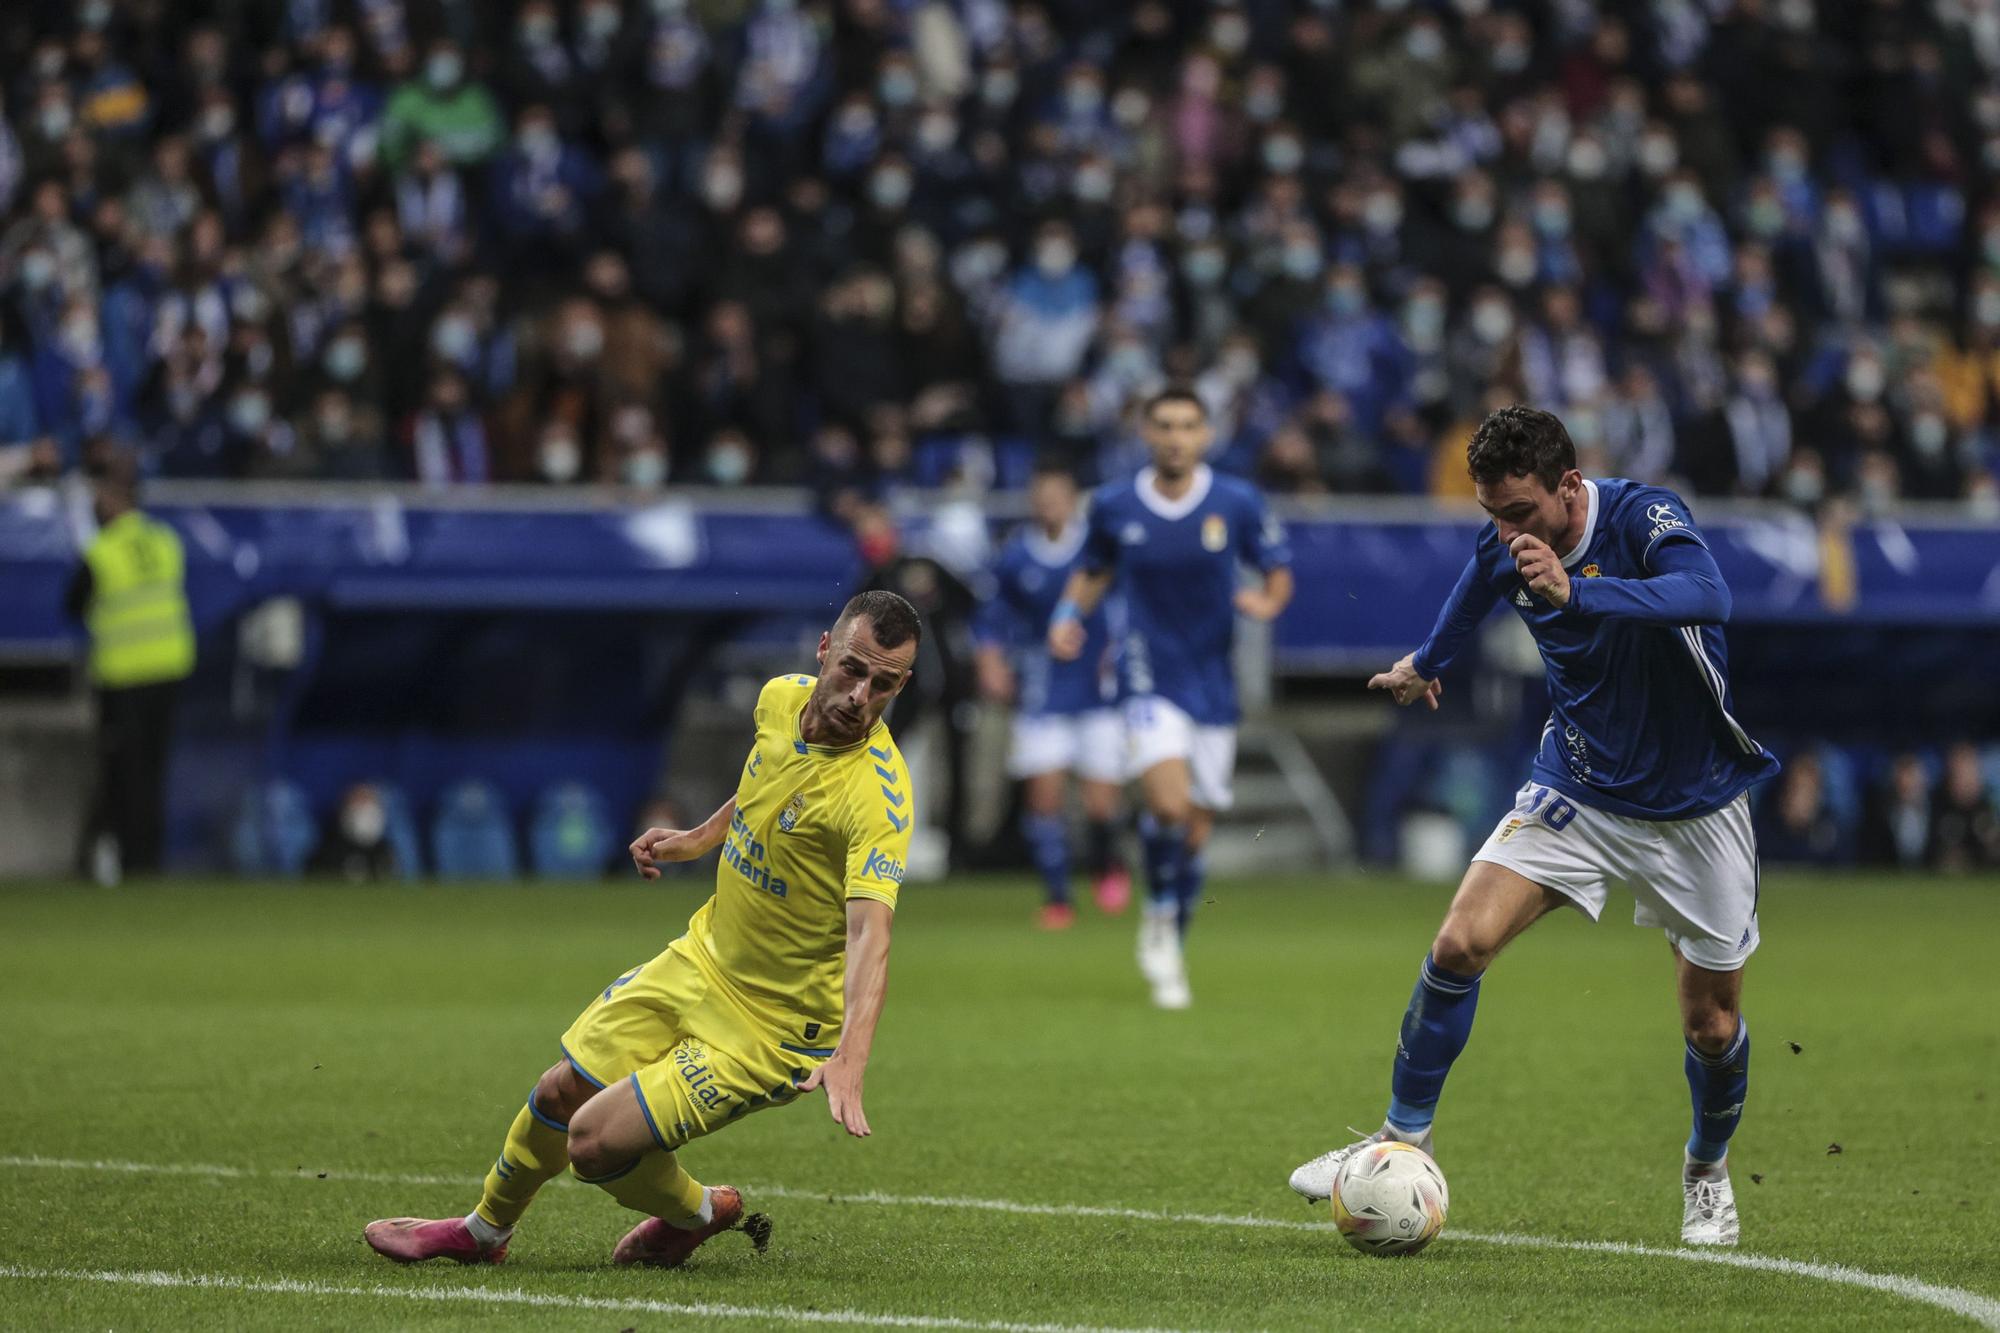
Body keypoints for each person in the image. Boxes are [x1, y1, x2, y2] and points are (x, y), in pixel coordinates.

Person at [1285, 406, 1780, 1247]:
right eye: (1493, 513)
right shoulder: (1506, 539)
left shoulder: (1644, 516)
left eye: (1521, 512)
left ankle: (1706, 1170)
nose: (1508, 530)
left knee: (1712, 1024)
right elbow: (1478, 583)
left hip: (1695, 805)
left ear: (1570, 487)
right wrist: (1425, 663)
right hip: (1578, 787)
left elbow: (1711, 595)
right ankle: (1401, 1136)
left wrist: (1578, 590)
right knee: (1458, 944)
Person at [364, 591, 922, 1269]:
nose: (862, 695)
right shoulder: (780, 698)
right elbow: (764, 784)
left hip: (771, 1026)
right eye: (854, 670)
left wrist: (852, 1056)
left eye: (884, 684)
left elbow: (872, 935)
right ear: (824, 650)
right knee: (560, 1089)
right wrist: (694, 839)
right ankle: (482, 1232)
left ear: (901, 685)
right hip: (703, 958)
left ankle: (701, 1211)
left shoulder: (877, 797)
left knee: (592, 1141)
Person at [1048, 388, 1293, 1008]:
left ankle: (1169, 940)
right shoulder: (1114, 503)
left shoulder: (1236, 501)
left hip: (1213, 681)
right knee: (1170, 804)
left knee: (1194, 832)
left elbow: (1277, 569)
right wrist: (1069, 614)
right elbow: (1095, 569)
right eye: (1164, 425)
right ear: (1146, 433)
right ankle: (1157, 913)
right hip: (1145, 672)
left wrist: (1266, 602)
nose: (1176, 436)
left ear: (1205, 435)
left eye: (1188, 425)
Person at [975, 462, 1130, 930]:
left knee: (1101, 803)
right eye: (1040, 498)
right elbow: (992, 617)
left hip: (1099, 691)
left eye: (1057, 497)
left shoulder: (1097, 549)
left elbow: (1129, 606)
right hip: (1042, 689)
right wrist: (991, 661)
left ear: (1072, 499)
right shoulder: (1017, 555)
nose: (1048, 506)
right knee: (1043, 798)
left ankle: (1106, 862)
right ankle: (1058, 897)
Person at [65, 462, 195, 881]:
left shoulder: (102, 553)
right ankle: (150, 862)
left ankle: (128, 862)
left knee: (125, 773)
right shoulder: (166, 541)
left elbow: (72, 605)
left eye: (102, 499)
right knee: (155, 772)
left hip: (123, 676)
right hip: (169, 669)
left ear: (116, 501)